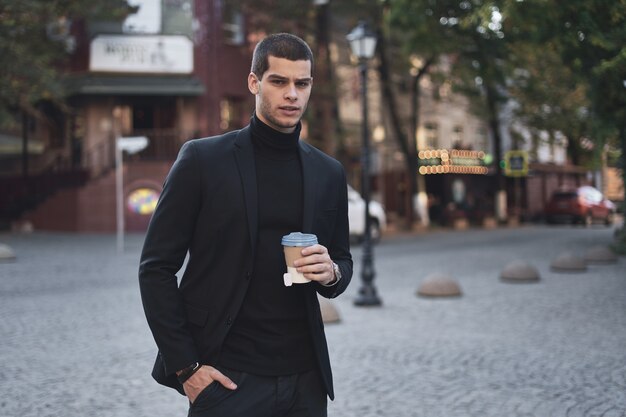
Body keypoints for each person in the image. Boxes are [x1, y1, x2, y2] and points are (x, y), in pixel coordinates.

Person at [139, 33, 353, 417]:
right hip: (227, 378)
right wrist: (187, 368)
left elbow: (342, 261)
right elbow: (155, 268)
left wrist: (332, 271)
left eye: (301, 84)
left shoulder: (328, 172)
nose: (292, 94)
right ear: (254, 83)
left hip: (305, 380)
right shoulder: (203, 161)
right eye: (279, 81)